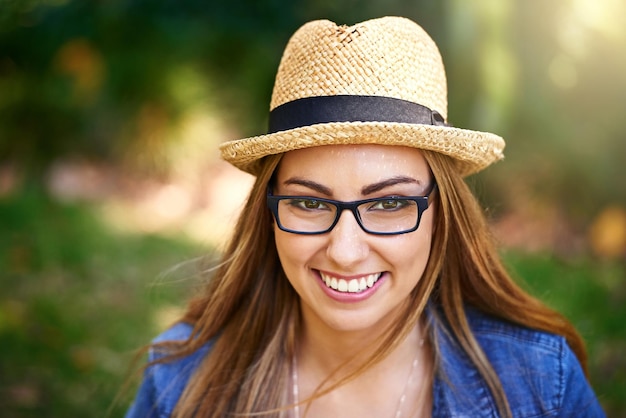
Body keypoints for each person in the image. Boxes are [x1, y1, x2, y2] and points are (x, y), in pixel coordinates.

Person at [125, 16, 605, 417]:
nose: (346, 251)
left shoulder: (541, 383)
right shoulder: (180, 377)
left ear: (444, 214)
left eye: (390, 203)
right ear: (267, 213)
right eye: (310, 203)